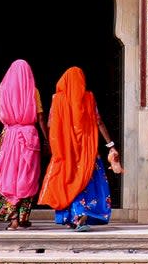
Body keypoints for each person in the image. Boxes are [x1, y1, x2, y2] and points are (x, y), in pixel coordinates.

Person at [38, 66, 122, 231]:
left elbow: (50, 124)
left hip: (67, 151)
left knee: (69, 180)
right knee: (86, 183)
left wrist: (55, 144)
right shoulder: (89, 98)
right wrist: (111, 145)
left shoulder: (57, 99)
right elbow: (98, 122)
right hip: (87, 150)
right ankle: (80, 217)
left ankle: (72, 217)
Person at [0, 59, 48, 230]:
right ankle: (23, 217)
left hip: (8, 137)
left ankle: (13, 219)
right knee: (27, 177)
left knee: (8, 176)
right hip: (29, 138)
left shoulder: (3, 90)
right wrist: (47, 139)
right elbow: (40, 117)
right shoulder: (33, 91)